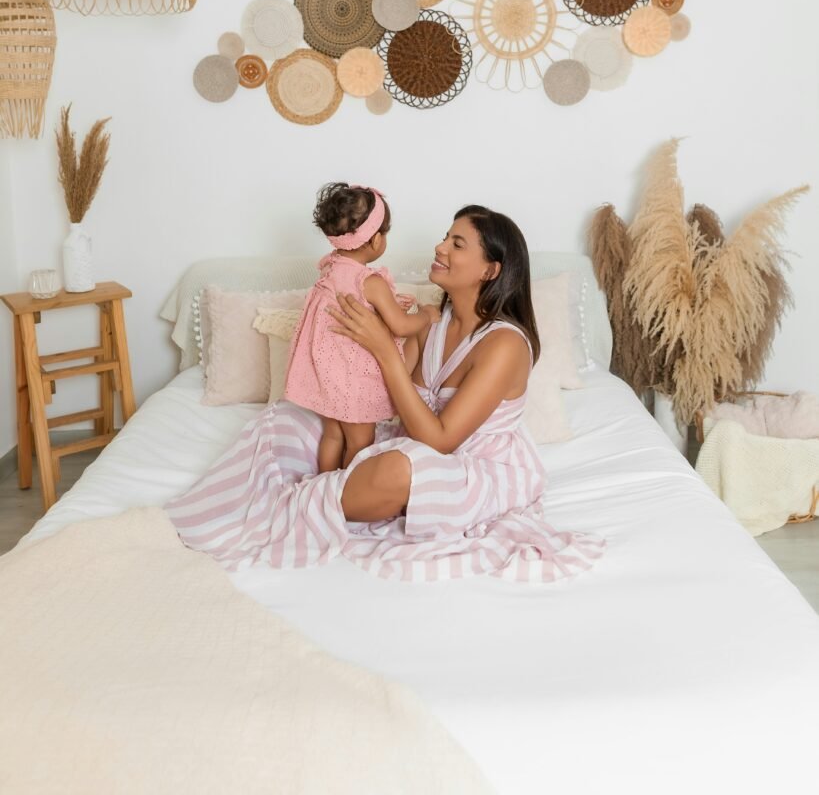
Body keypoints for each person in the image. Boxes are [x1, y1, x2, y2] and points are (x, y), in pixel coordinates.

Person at [166, 205, 604, 584]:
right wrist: (357, 356)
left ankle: (290, 505)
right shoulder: (431, 320)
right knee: (292, 418)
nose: (440, 248)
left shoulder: (505, 344)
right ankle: (301, 496)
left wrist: (383, 349)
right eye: (445, 238)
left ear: (490, 270)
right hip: (409, 438)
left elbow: (441, 440)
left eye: (457, 243)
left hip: (474, 466)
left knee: (397, 469)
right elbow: (395, 402)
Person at [284, 182, 440, 473]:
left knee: (333, 434)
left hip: (326, 374)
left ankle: (323, 488)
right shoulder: (371, 282)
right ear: (376, 240)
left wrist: (388, 306)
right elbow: (401, 326)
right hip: (352, 378)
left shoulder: (330, 269)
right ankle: (346, 493)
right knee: (360, 440)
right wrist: (427, 315)